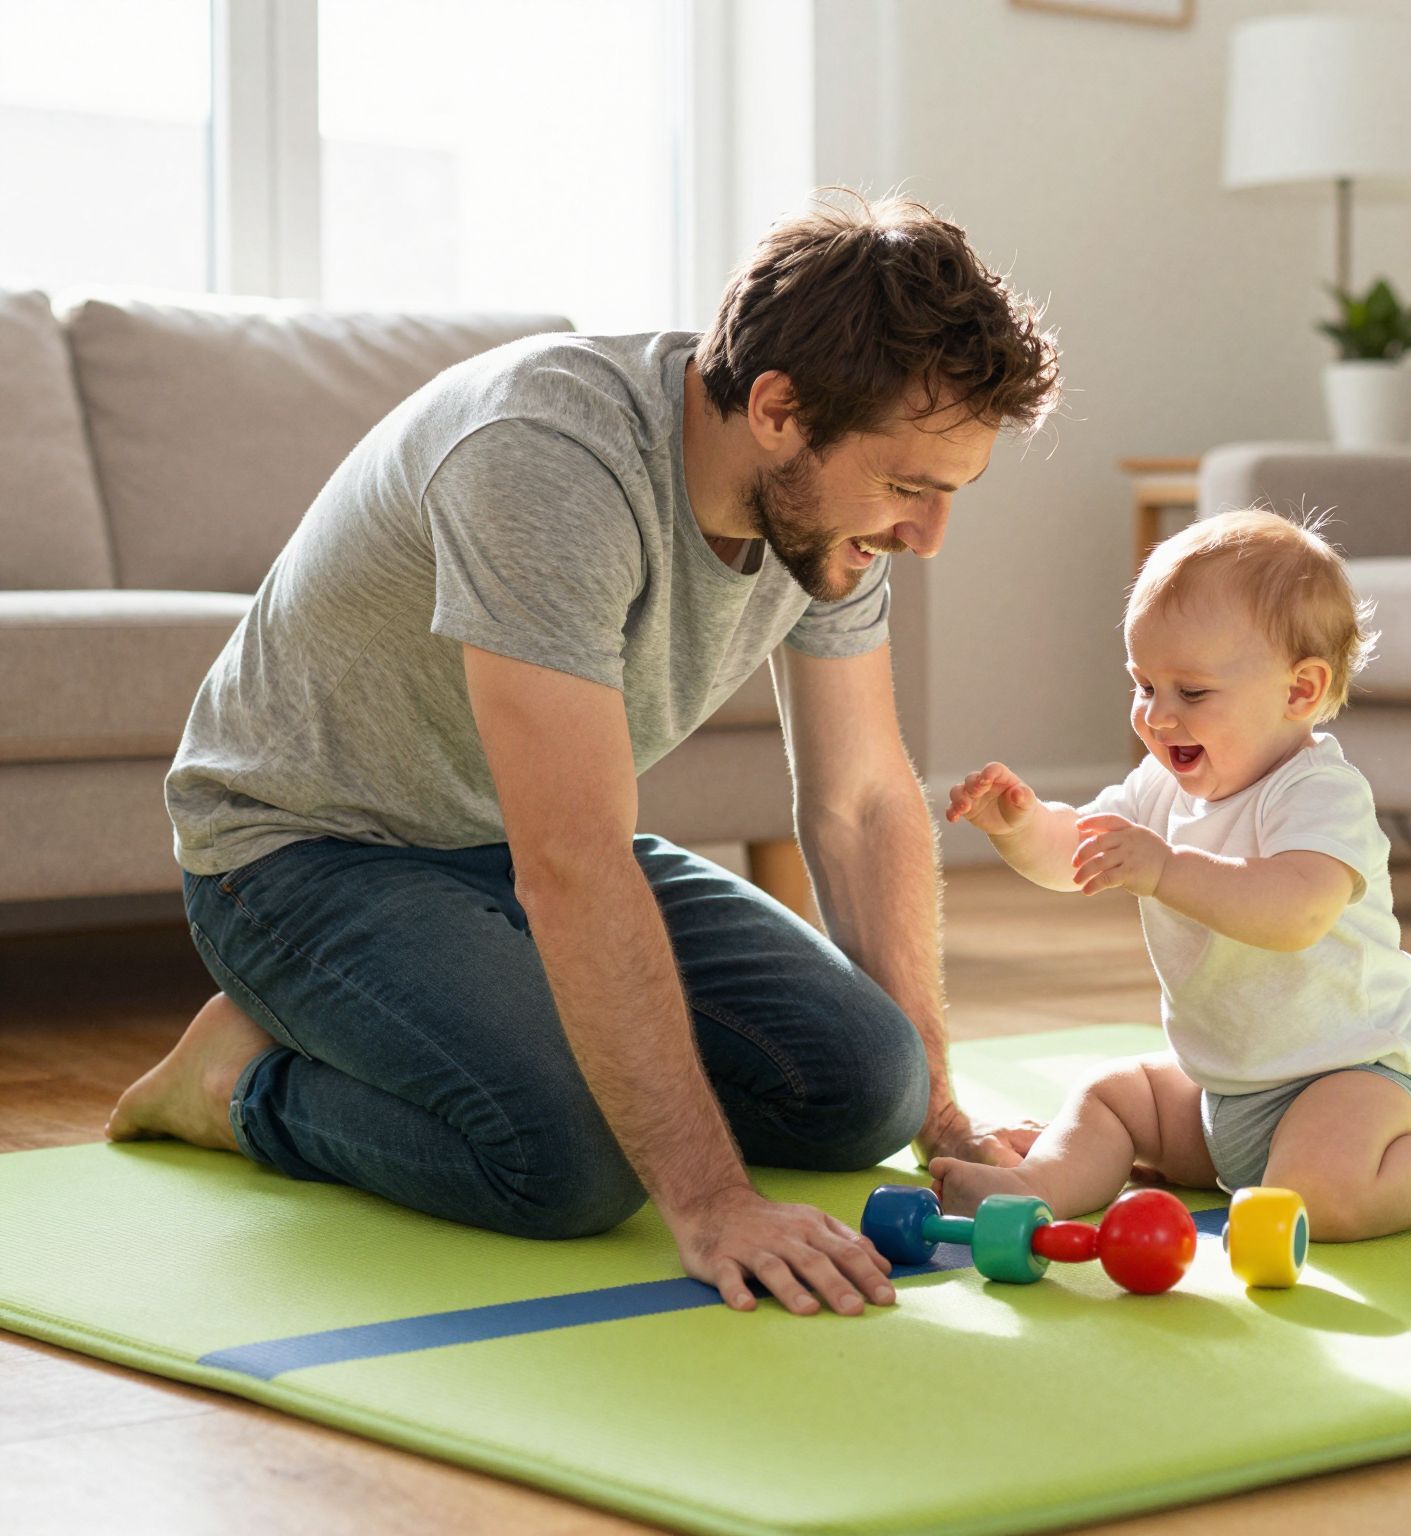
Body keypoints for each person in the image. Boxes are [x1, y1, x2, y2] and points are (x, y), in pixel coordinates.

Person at [108, 191, 1062, 1318]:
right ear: (775, 408)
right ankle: (234, 1087)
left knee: (869, 1089)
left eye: (948, 493)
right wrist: (711, 1204)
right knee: (566, 1164)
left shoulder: (834, 512)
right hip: (302, 852)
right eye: (909, 488)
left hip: (507, 838)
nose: (927, 533)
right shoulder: (548, 458)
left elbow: (858, 799)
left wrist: (941, 1113)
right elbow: (570, 858)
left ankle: (464, 1004)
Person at [933, 510, 1411, 1241]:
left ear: (1301, 692)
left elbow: (1293, 913)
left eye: (1192, 692)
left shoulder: (1318, 794)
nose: (1157, 716)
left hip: (1350, 1076)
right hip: (1222, 1086)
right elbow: (1077, 851)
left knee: (1321, 1201)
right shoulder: (1161, 786)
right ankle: (1039, 1181)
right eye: (1143, 685)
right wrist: (1020, 828)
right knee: (1110, 1095)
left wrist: (1168, 868)